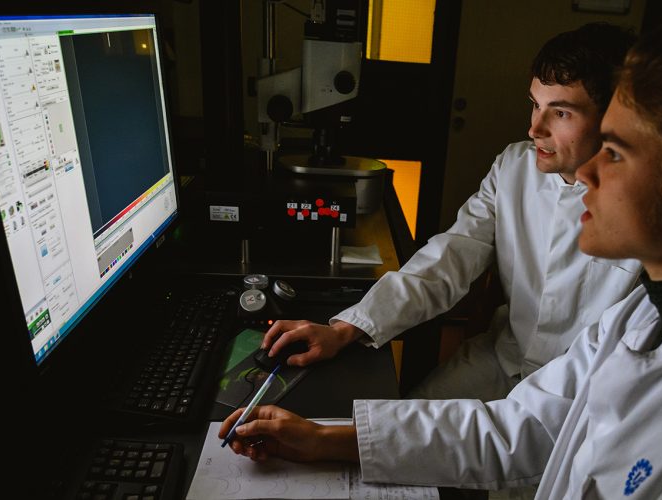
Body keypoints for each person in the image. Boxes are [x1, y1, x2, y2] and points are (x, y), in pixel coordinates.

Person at [220, 14, 662, 497]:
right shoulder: (643, 313)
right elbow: (455, 267)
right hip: (506, 362)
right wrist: (327, 418)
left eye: (615, 151)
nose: (586, 173)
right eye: (534, 105)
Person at [263, 23, 642, 400]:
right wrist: (347, 329)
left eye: (560, 113)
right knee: (404, 417)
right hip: (504, 361)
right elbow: (451, 256)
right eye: (535, 105)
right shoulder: (514, 166)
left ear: (614, 119)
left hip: (584, 393)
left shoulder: (647, 210)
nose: (534, 129)